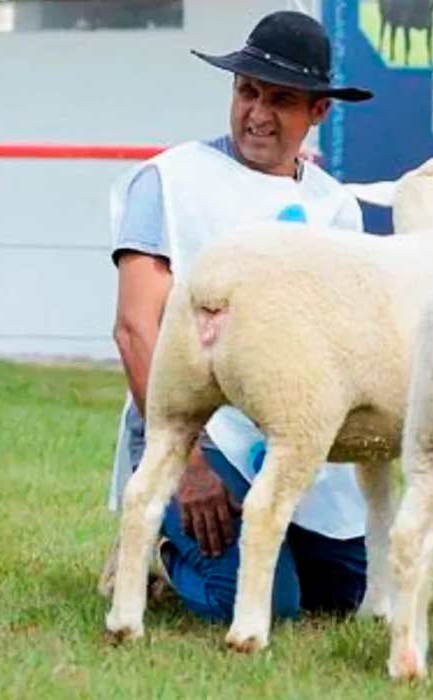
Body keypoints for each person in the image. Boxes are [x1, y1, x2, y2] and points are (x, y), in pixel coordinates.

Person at [103, 10, 375, 623]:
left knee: (340, 598)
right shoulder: (170, 182)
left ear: (319, 113)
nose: (257, 112)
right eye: (247, 90)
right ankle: (160, 550)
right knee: (262, 605)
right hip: (197, 428)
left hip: (285, 432)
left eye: (281, 99)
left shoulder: (335, 209)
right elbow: (134, 329)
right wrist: (188, 461)